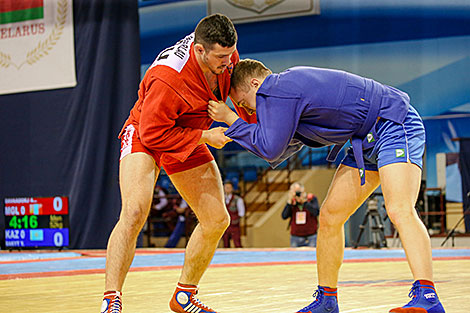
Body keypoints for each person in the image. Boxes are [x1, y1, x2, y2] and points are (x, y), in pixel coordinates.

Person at [208, 59, 445, 313]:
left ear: (256, 83)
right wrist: (238, 129)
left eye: (243, 102)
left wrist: (231, 119)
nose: (248, 110)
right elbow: (275, 152)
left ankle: (428, 297)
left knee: (399, 209)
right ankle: (327, 300)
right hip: (365, 139)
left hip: (394, 122)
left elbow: (269, 148)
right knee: (331, 216)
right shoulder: (284, 97)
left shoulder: (279, 88)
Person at [101, 14, 245, 313]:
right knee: (135, 211)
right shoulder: (168, 77)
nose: (227, 62)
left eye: (230, 54)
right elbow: (153, 135)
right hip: (147, 131)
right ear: (199, 50)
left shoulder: (227, 57)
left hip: (190, 131)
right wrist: (205, 136)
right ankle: (111, 300)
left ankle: (184, 296)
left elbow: (240, 96)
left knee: (217, 219)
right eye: (220, 57)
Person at [282, 182, 319, 247]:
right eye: (295, 192)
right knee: (295, 256)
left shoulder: (311, 199)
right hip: (295, 236)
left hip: (311, 236)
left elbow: (316, 212)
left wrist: (304, 202)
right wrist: (289, 203)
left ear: (303, 191)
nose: (297, 194)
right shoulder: (292, 202)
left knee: (312, 256)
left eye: (298, 192)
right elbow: (284, 216)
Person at [222, 180, 245, 248]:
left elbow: (241, 213)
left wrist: (235, 219)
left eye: (229, 187)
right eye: (226, 187)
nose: (227, 189)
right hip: (225, 226)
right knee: (225, 244)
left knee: (237, 243)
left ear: (232, 188)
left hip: (234, 225)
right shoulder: (221, 199)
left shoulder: (238, 199)